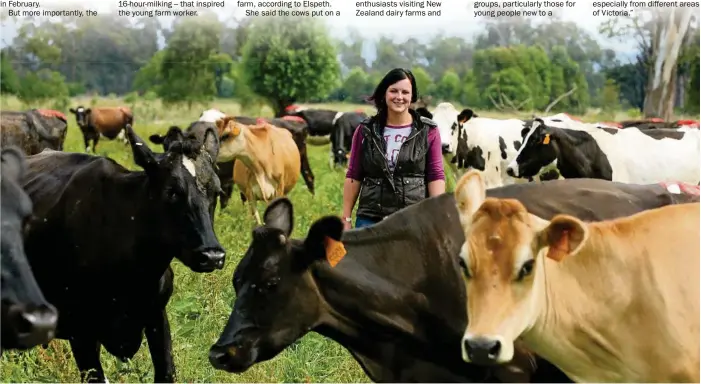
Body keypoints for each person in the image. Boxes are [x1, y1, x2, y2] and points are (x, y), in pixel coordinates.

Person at [341, 68, 446, 230]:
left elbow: (435, 176)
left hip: (413, 218)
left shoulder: (428, 131)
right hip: (371, 219)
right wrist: (346, 218)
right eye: (394, 91)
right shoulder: (365, 130)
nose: (399, 97)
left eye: (405, 92)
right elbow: (354, 175)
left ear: (412, 97)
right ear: (384, 93)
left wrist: (437, 218)